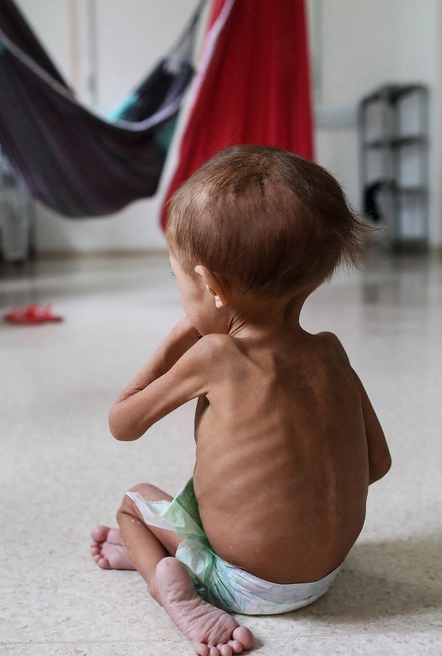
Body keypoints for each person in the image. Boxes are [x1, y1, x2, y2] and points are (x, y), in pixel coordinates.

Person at [90, 145, 391, 656]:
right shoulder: (330, 351)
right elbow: (378, 465)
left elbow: (123, 423)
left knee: (133, 504)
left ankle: (171, 585)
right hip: (328, 574)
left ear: (209, 285)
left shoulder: (217, 356)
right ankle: (180, 555)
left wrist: (171, 344)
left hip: (249, 587)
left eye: (179, 280)